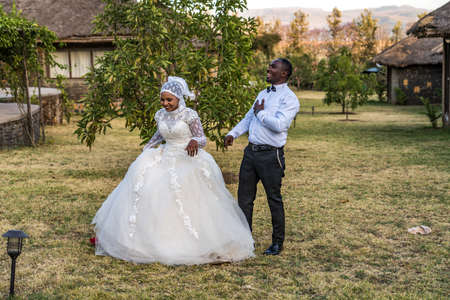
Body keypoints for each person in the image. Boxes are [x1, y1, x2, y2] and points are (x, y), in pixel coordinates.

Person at [92, 76, 254, 265]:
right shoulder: (160, 114)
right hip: (166, 155)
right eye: (163, 99)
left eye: (169, 100)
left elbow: (202, 138)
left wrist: (195, 141)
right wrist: (146, 150)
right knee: (150, 189)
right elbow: (159, 135)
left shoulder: (189, 115)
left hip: (188, 158)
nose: (165, 103)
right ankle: (151, 239)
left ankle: (197, 241)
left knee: (189, 198)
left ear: (179, 99)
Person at [224, 58, 300, 256]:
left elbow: (280, 125)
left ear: (284, 73)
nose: (268, 68)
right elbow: (249, 117)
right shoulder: (262, 93)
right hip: (251, 153)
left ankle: (277, 243)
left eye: (273, 67)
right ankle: (245, 239)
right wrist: (233, 133)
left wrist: (261, 114)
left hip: (270, 155)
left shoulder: (290, 99)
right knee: (244, 199)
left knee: (273, 199)